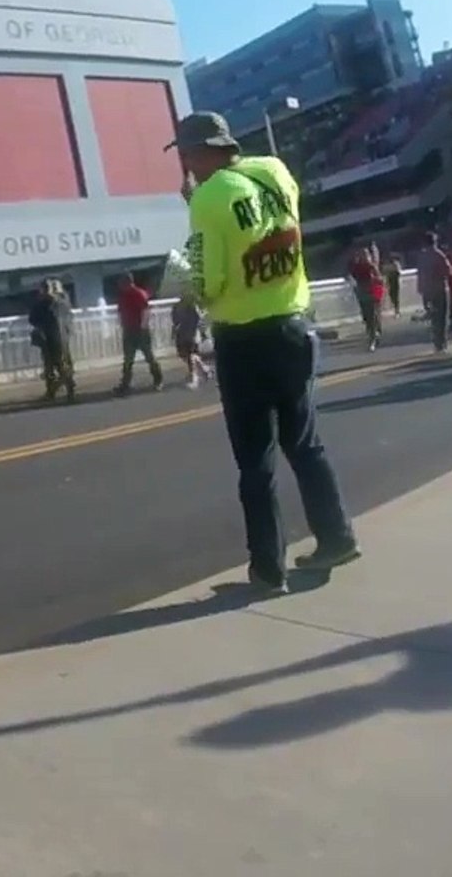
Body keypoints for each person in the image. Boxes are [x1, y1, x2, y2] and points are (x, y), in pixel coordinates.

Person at [173, 111, 359, 593]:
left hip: (243, 339)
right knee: (305, 443)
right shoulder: (276, 171)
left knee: (256, 462)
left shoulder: (209, 198)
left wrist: (191, 233)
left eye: (187, 155)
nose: (186, 165)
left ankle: (267, 568)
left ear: (198, 153)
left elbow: (207, 280)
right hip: (294, 326)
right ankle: (336, 536)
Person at [113, 272, 163, 393]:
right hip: (128, 330)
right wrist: (122, 325)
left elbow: (145, 310)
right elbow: (120, 312)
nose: (120, 285)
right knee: (128, 359)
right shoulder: (122, 296)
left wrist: (143, 327)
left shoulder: (139, 293)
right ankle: (125, 384)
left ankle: (158, 380)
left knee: (149, 357)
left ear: (128, 282)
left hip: (140, 330)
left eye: (121, 282)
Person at [28, 279, 76, 401]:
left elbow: (33, 319)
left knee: (53, 366)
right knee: (60, 365)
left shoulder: (45, 303)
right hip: (61, 337)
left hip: (51, 338)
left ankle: (55, 389)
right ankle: (65, 388)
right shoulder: (62, 302)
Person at [416, 233, 452, 352]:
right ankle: (442, 342)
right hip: (440, 289)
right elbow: (449, 271)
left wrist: (421, 289)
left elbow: (420, 274)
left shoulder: (422, 257)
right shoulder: (439, 255)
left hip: (428, 290)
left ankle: (437, 341)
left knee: (433, 317)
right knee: (442, 317)